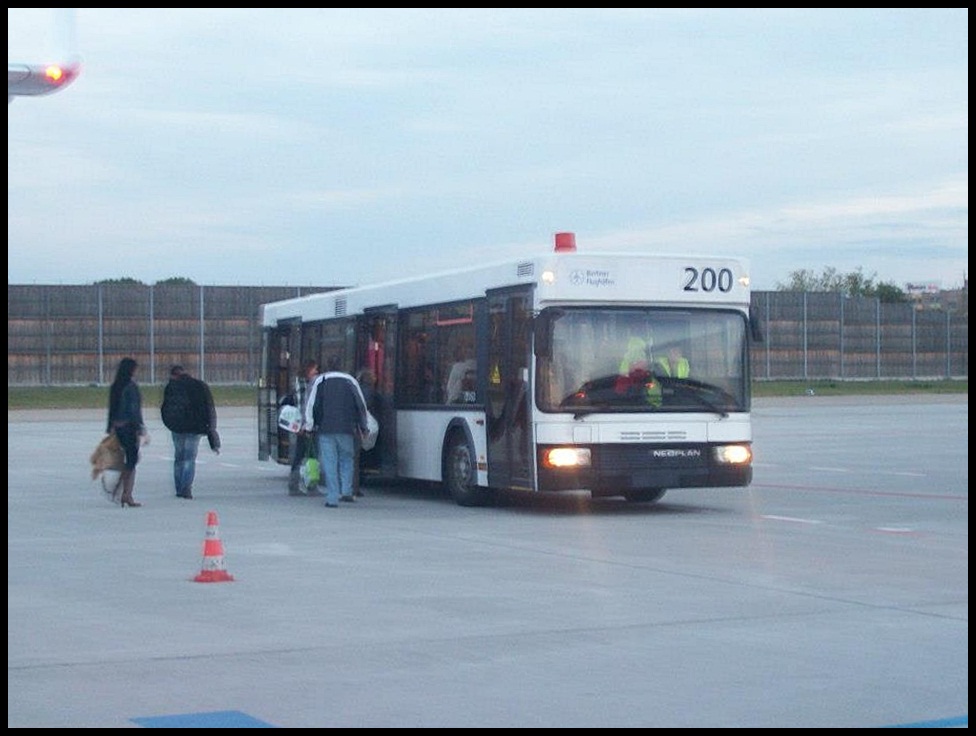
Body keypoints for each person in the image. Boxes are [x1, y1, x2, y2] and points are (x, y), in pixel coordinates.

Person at [304, 364, 370, 508]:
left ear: (327, 368)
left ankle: (332, 498)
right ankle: (346, 491)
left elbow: (311, 404)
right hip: (347, 429)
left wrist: (309, 426)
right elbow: (361, 405)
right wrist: (364, 427)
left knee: (330, 463)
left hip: (325, 429)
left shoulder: (320, 381)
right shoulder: (350, 380)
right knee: (347, 459)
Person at [160, 364, 220, 500]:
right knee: (189, 458)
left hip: (177, 428)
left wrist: (170, 424)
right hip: (194, 428)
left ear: (173, 375)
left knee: (179, 458)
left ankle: (179, 488)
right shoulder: (199, 385)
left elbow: (165, 408)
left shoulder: (171, 387)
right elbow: (208, 408)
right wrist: (210, 430)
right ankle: (186, 487)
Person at [106, 357, 146, 508]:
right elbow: (134, 410)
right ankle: (124, 493)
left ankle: (122, 491)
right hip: (129, 427)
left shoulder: (116, 386)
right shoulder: (131, 386)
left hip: (118, 427)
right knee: (132, 460)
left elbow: (112, 409)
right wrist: (140, 428)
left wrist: (110, 428)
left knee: (130, 460)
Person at [288, 359, 323, 496]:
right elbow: (303, 405)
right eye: (314, 369)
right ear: (308, 370)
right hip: (304, 426)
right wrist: (304, 425)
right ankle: (302, 484)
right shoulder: (303, 385)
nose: (316, 372)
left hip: (305, 425)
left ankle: (300, 484)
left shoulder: (306, 383)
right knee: (305, 454)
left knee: (306, 454)